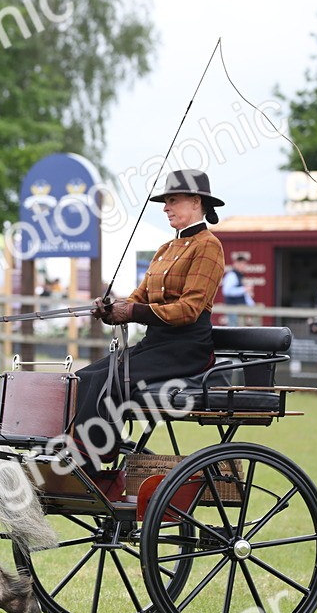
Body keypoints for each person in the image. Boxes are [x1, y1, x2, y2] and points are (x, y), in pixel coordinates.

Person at [70, 169, 226, 464]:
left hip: (186, 349)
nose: (166, 208)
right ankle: (77, 447)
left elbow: (189, 310)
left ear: (196, 201)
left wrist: (133, 312)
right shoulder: (166, 248)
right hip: (155, 344)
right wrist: (111, 309)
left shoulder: (209, 246)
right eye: (165, 202)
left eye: (173, 200)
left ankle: (90, 456)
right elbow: (138, 298)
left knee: (107, 380)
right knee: (84, 376)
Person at [220, 252, 254, 326]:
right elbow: (226, 291)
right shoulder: (232, 275)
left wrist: (251, 305)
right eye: (242, 264)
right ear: (236, 264)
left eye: (244, 264)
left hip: (239, 310)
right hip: (233, 310)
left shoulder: (239, 276)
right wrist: (244, 289)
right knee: (233, 330)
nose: (244, 266)